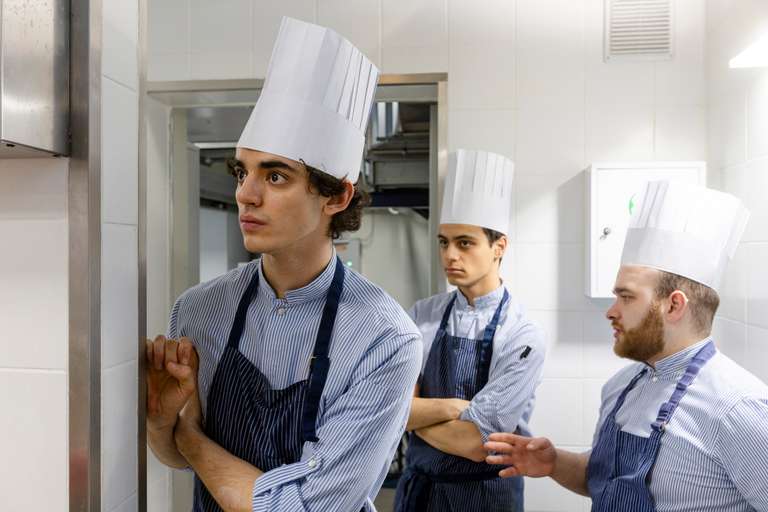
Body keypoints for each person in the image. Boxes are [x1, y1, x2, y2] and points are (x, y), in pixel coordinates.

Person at [145, 17, 422, 512]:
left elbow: (305, 508)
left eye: (275, 176)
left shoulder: (384, 339)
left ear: (336, 196)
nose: (245, 195)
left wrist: (190, 437)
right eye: (242, 171)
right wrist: (162, 423)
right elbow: (174, 459)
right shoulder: (198, 308)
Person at [486, 181, 768, 512]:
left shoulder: (739, 409)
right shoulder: (621, 386)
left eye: (627, 297)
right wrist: (554, 463)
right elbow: (602, 479)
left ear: (674, 305)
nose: (611, 311)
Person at [394, 149, 546, 512]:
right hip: (419, 493)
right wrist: (451, 408)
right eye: (443, 242)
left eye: (465, 243)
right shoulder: (422, 315)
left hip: (484, 497)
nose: (450, 255)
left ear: (499, 247)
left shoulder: (522, 335)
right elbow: (391, 405)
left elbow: (477, 443)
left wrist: (411, 419)